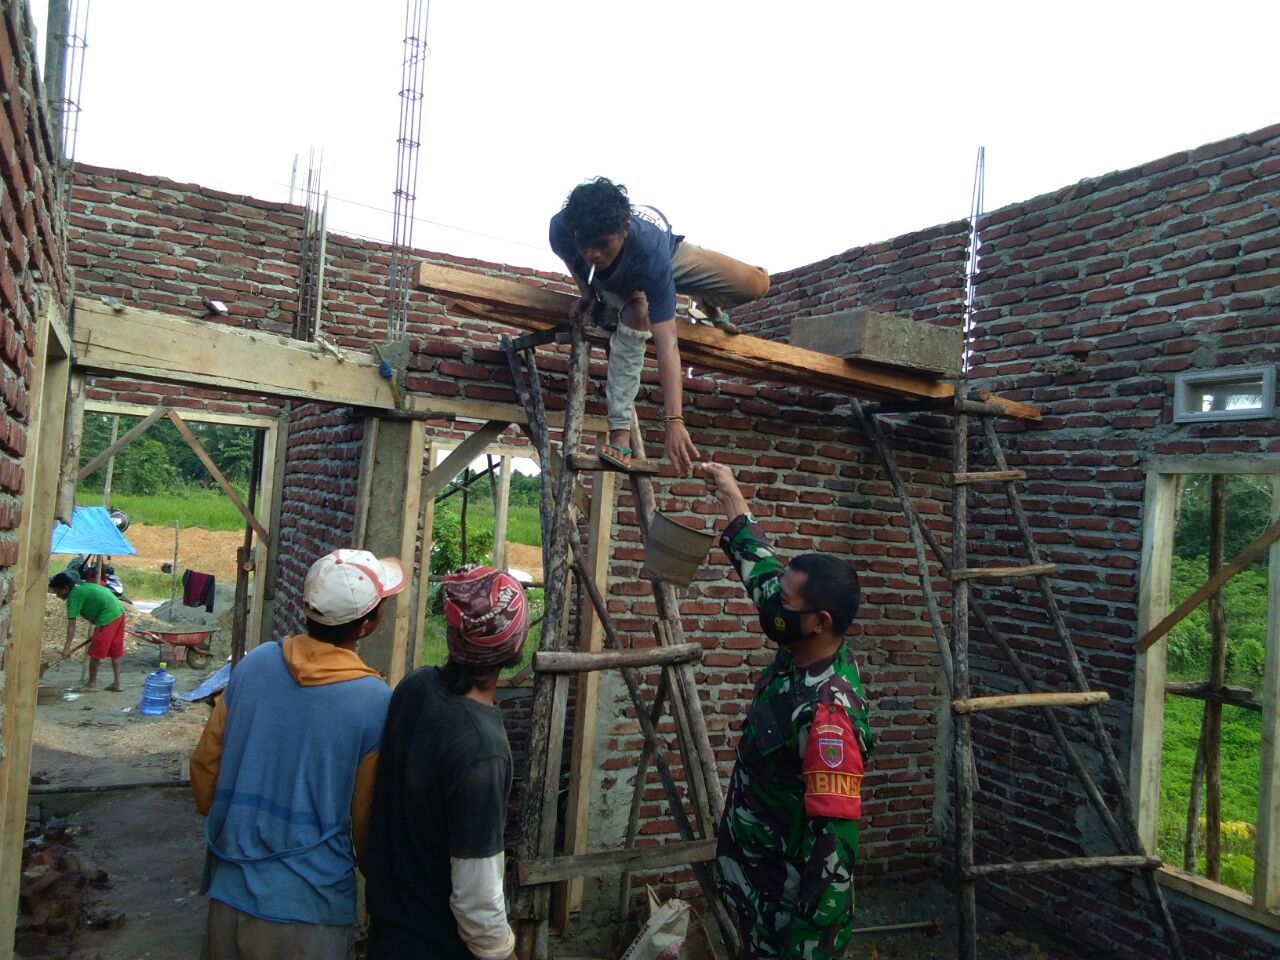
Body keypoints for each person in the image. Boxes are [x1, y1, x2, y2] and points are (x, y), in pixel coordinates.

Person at [189, 548, 405, 960]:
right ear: (367, 624)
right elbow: (366, 815)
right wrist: (375, 877)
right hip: (310, 909)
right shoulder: (373, 701)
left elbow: (204, 770)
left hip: (229, 888)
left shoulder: (254, 666)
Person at [700, 461, 873, 960]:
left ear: (819, 621)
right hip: (755, 888)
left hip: (787, 918)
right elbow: (760, 569)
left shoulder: (828, 719)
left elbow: (833, 852)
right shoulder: (798, 651)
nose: (772, 602)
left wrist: (806, 947)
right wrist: (730, 493)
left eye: (785, 600)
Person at [549, 177, 770, 474]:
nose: (592, 255)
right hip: (620, 284)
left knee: (756, 283)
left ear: (624, 231)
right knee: (638, 312)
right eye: (584, 245)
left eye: (602, 245)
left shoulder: (650, 252)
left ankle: (706, 298)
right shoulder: (563, 227)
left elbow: (668, 344)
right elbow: (570, 254)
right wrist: (586, 293)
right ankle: (619, 433)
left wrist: (675, 421)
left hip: (667, 256)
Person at [364, 566, 530, 960]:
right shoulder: (481, 751)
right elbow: (478, 906)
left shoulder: (416, 687)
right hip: (437, 945)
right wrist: (504, 953)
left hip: (388, 933)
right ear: (515, 646)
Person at [50, 571, 126, 692]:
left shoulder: (74, 595)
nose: (57, 596)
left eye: (58, 592)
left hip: (107, 617)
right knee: (114, 650)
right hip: (119, 613)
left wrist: (67, 647)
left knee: (95, 652)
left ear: (65, 588)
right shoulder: (82, 587)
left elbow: (72, 624)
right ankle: (117, 684)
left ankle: (91, 685)